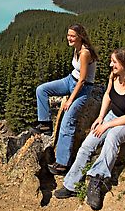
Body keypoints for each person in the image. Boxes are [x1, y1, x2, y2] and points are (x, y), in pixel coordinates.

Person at [54, 48, 125, 211]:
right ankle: (71, 185)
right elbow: (107, 95)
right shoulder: (114, 76)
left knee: (113, 136)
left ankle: (97, 180)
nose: (110, 64)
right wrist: (100, 118)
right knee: (88, 143)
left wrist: (106, 125)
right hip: (113, 116)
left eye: (114, 62)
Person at [31, 23, 98, 174]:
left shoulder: (85, 53)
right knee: (41, 89)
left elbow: (82, 80)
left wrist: (70, 100)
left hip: (82, 88)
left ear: (80, 37)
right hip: (70, 80)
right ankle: (45, 123)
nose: (69, 38)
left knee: (67, 122)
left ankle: (62, 163)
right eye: (68, 35)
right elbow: (76, 74)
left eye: (72, 36)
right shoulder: (77, 49)